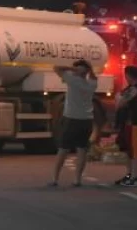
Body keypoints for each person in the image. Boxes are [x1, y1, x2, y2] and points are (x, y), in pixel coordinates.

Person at [50, 59, 98, 187]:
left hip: (71, 119)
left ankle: (55, 178)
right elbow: (93, 76)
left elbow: (56, 67)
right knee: (82, 150)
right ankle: (77, 180)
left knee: (63, 149)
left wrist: (73, 69)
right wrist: (88, 69)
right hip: (87, 120)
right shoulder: (92, 84)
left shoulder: (72, 79)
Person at [114, 65, 137, 186]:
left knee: (136, 151)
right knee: (131, 151)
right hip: (131, 125)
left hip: (136, 125)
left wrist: (119, 97)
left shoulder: (136, 89)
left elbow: (120, 103)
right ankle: (131, 175)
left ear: (129, 76)